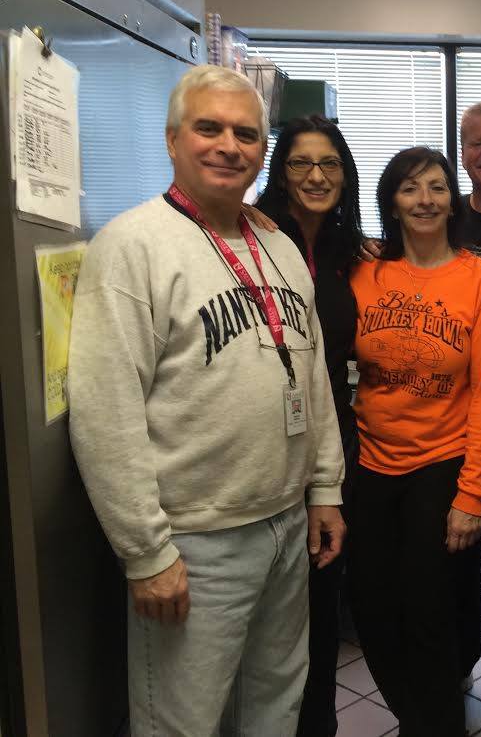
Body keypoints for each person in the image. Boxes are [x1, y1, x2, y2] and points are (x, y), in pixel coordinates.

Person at [68, 66, 345, 736]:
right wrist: (145, 549)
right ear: (172, 140)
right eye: (209, 128)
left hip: (283, 524)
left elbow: (309, 375)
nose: (229, 145)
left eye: (246, 133)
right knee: (182, 720)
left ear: (261, 150)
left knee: (275, 702)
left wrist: (325, 485)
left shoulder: (276, 243)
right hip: (195, 538)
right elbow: (105, 409)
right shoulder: (132, 245)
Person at [346, 146, 481, 737]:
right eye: (411, 188)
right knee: (372, 608)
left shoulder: (478, 279)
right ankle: (416, 714)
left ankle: (434, 725)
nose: (425, 200)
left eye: (438, 187)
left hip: (442, 465)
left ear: (453, 200)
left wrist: (472, 494)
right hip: (369, 464)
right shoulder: (363, 272)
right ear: (391, 199)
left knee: (429, 615)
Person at [253, 115, 363, 737]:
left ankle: (317, 722)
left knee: (321, 593)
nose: (316, 176)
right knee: (273, 610)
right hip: (266, 442)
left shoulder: (353, 250)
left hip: (331, 437)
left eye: (329, 164)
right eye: (300, 164)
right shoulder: (255, 236)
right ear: (280, 172)